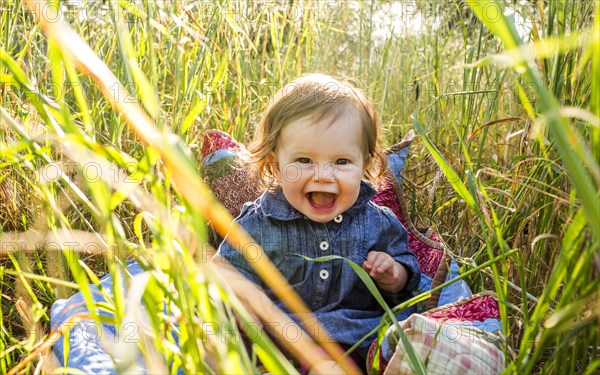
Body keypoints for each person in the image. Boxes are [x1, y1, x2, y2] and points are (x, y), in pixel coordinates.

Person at [213, 73, 421, 369]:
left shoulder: (377, 222)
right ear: (275, 164)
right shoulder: (259, 222)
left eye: (341, 162)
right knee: (220, 335)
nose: (323, 175)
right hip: (275, 334)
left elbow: (408, 277)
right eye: (304, 161)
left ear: (364, 164)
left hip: (345, 335)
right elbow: (227, 273)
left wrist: (393, 273)